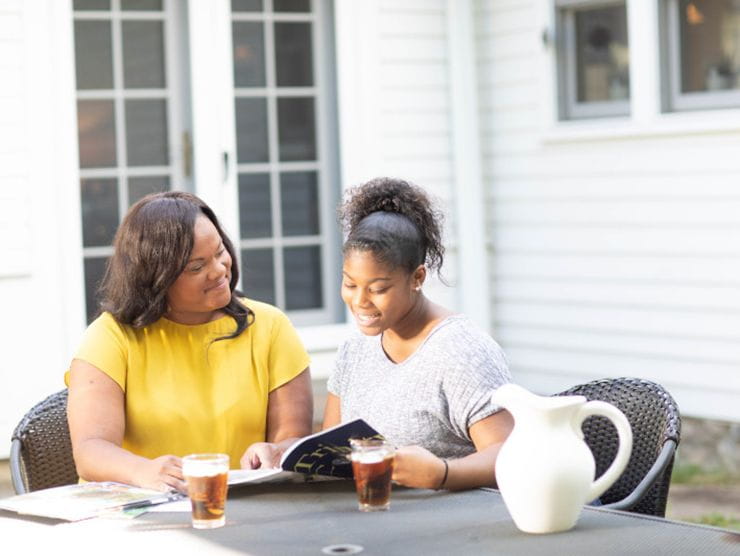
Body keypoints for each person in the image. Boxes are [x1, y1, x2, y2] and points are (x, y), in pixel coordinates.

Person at [246, 178, 513, 490]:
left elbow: (507, 451)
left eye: (378, 288)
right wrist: (278, 453)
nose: (360, 301)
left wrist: (442, 473)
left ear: (417, 277)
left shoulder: (461, 351)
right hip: (369, 516)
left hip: (448, 524)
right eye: (350, 284)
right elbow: (329, 453)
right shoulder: (355, 349)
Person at [66, 191, 313, 493]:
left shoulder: (271, 327)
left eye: (220, 252)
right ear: (156, 278)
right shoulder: (110, 338)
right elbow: (91, 450)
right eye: (197, 267)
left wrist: (276, 452)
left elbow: (293, 440)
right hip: (141, 515)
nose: (220, 270)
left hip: (242, 508)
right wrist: (143, 470)